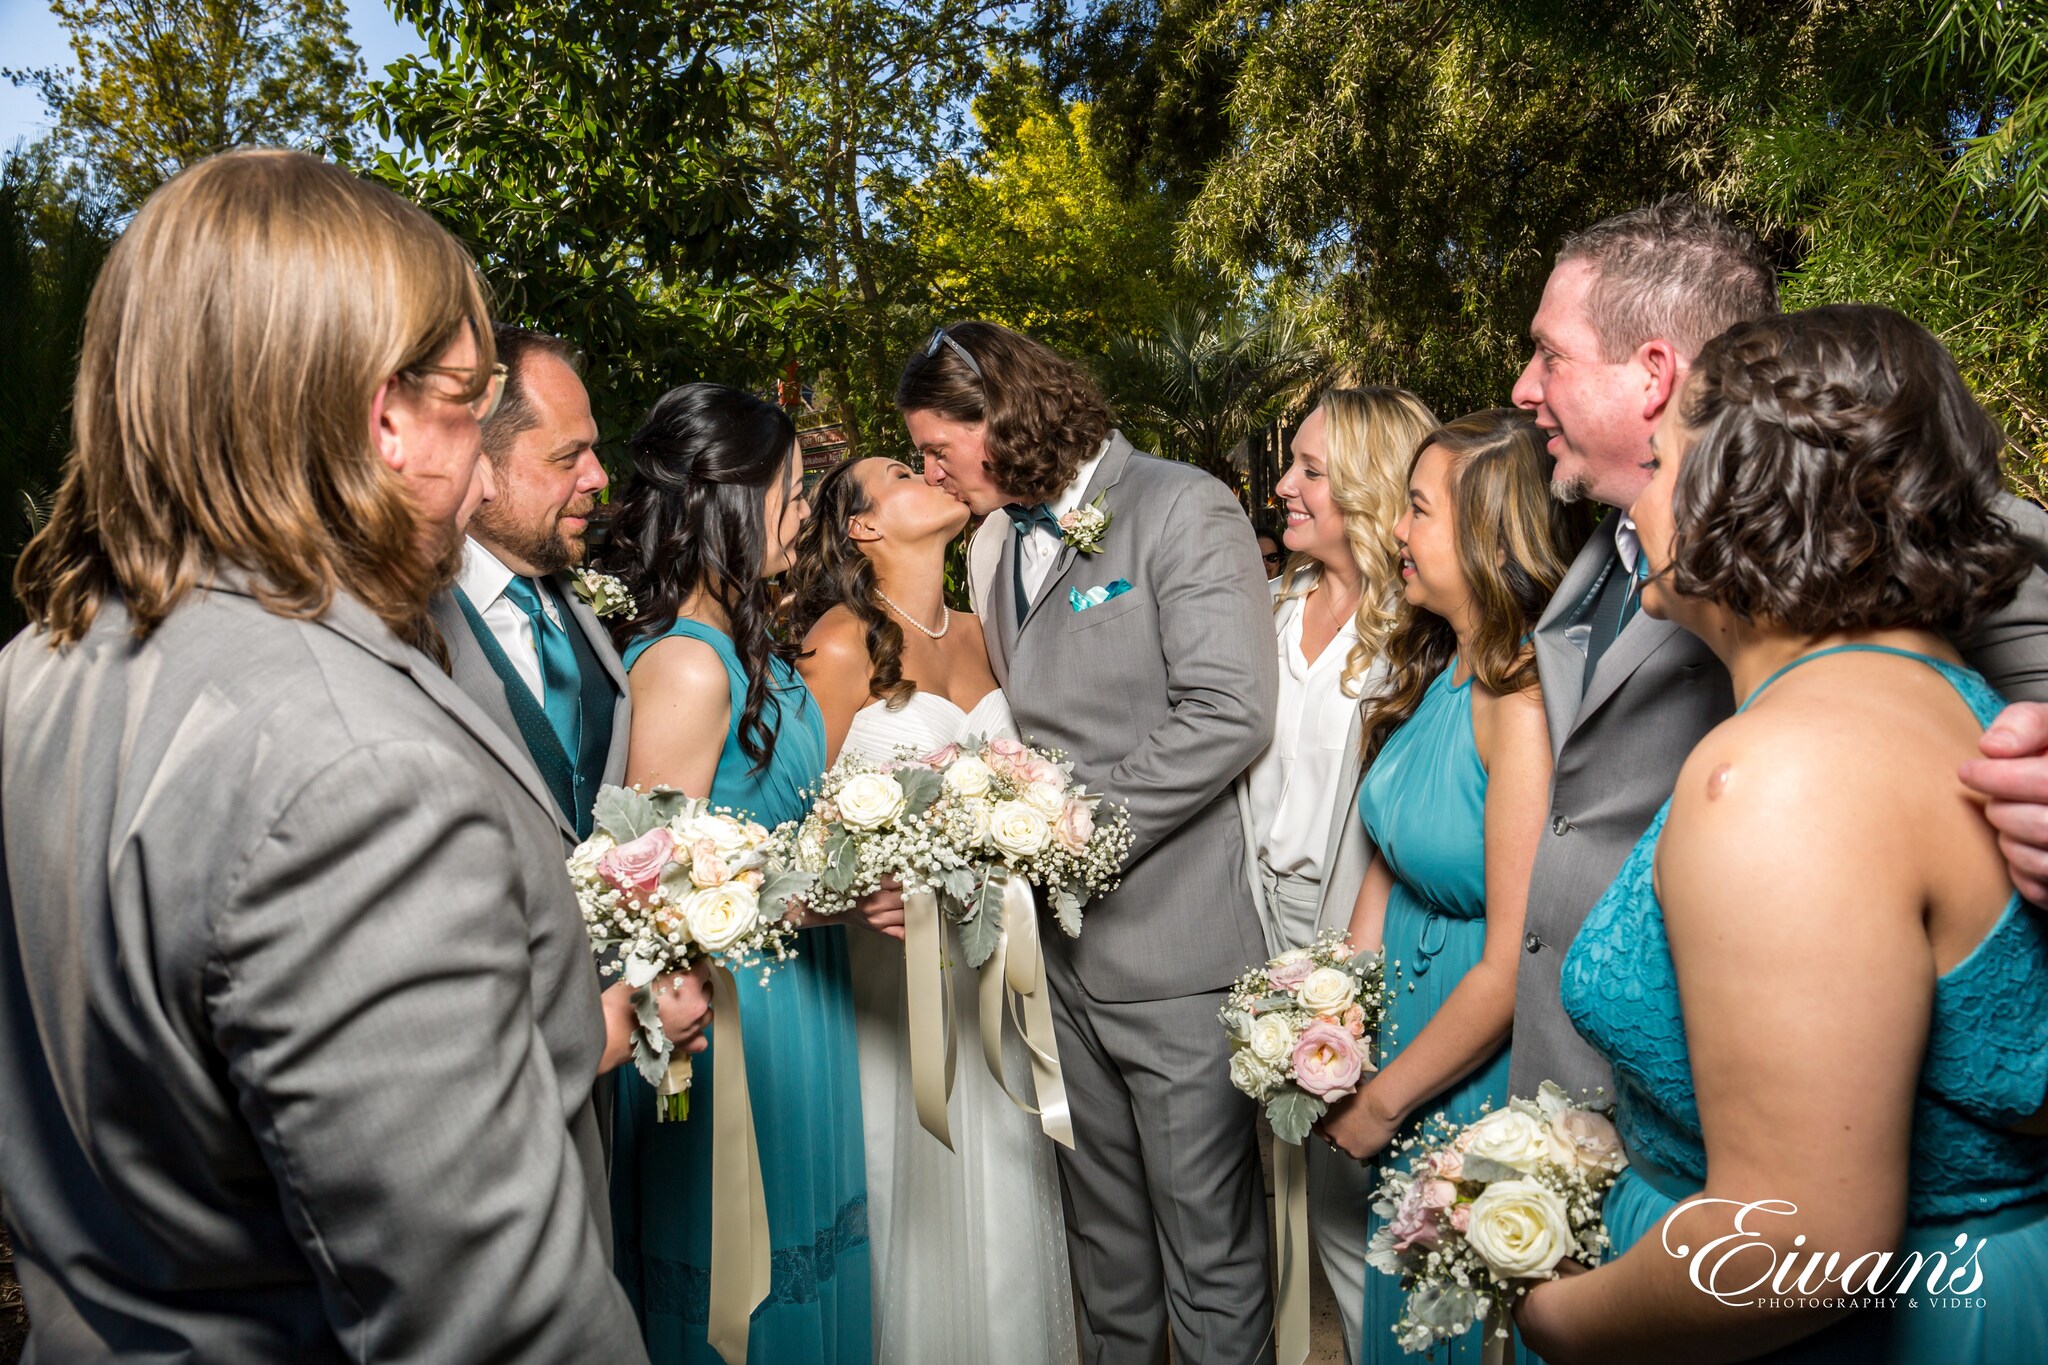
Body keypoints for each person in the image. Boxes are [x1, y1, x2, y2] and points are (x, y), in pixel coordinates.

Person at [0, 148, 644, 1360]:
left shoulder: (37, 667)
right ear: (384, 418)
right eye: (471, 392)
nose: (478, 440)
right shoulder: (355, 775)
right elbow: (498, 1325)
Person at [1517, 305, 2048, 1363]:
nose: (1641, 507)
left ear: (1738, 486)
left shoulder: (1780, 772)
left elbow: (1802, 1243)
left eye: (1661, 460)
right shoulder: (1929, 691)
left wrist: (1553, 1317)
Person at [1506, 197, 2048, 1106]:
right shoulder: (1599, 553)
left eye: (1550, 354)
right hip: (1593, 1084)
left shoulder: (1910, 522)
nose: (1525, 387)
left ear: (1651, 374)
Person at [905, 321, 1280, 1365]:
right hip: (1052, 964)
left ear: (1004, 419)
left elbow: (1226, 715)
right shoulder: (988, 544)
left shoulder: (1181, 506)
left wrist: (1066, 831)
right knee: (1103, 1255)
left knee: (1207, 1256)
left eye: (940, 446)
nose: (929, 472)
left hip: (1173, 959)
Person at [601, 383, 873, 1364]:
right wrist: (825, 893)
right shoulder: (685, 665)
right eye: (791, 491)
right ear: (727, 498)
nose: (806, 513)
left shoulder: (754, 647)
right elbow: (657, 892)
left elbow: (767, 836)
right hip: (726, 1020)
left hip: (798, 996)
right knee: (736, 1286)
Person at [785, 456, 1077, 1365]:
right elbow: (791, 833)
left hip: (997, 959)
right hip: (892, 973)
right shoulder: (834, 643)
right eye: (904, 473)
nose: (933, 473)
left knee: (1008, 1192)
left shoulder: (988, 631)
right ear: (864, 527)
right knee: (915, 1185)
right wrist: (853, 892)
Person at [1311, 411, 1566, 1364]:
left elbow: (1512, 963)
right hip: (1402, 1029)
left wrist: (1380, 1105)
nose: (1399, 532)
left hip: (1468, 1063)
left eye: (1419, 511)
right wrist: (1327, 1019)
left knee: (1456, 1317)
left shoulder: (1522, 703)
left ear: (1490, 534)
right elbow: (1382, 866)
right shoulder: (1435, 667)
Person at [430, 322, 710, 1120]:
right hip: (487, 1087)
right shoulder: (409, 628)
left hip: (608, 1088)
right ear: (477, 456)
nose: (598, 478)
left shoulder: (580, 614)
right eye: (566, 458)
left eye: (593, 450)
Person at [1234, 386, 1437, 1359]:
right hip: (1258, 938)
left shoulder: (1419, 647)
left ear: (1367, 487)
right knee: (1306, 1212)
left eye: (1310, 470)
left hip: (1371, 949)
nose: (1284, 487)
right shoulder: (1268, 623)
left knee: (1380, 1225)